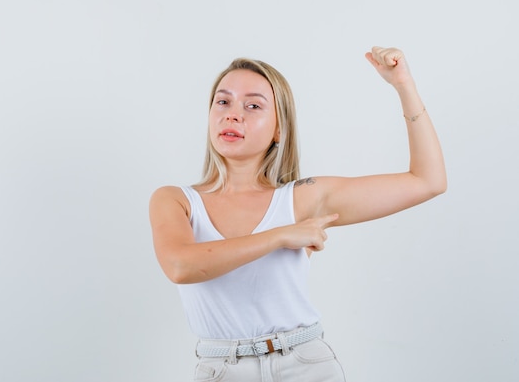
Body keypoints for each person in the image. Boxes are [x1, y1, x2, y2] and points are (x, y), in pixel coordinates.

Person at [149, 46, 446, 382]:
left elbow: (428, 181)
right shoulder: (175, 200)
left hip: (305, 365)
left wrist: (404, 85)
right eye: (223, 101)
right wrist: (281, 236)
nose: (233, 114)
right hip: (222, 369)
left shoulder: (301, 198)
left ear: (279, 129)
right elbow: (180, 266)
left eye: (253, 105)